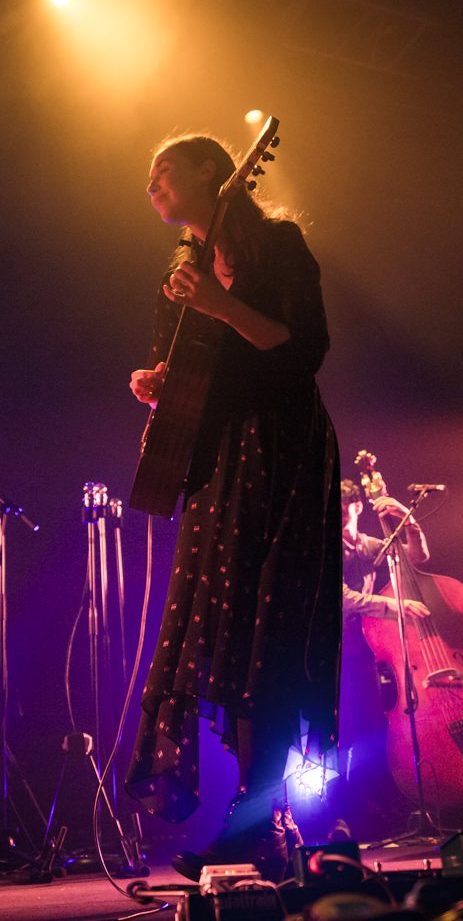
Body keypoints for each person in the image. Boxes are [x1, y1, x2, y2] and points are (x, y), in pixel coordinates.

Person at [124, 132, 341, 880]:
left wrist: (219, 304)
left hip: (279, 448)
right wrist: (158, 379)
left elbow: (302, 350)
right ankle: (255, 818)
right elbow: (193, 368)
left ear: (215, 170)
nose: (152, 182)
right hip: (217, 461)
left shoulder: (277, 244)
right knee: (230, 633)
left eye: (165, 170)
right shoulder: (178, 270)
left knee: (269, 626)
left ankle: (256, 816)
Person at [337, 478, 430, 837]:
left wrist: (411, 523)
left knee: (376, 718)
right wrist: (396, 606)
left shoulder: (368, 545)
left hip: (369, 642)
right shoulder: (328, 547)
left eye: (346, 508)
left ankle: (388, 798)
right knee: (354, 723)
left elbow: (414, 560)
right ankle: (355, 807)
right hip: (343, 642)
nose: (342, 515)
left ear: (358, 508)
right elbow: (342, 597)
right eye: (337, 509)